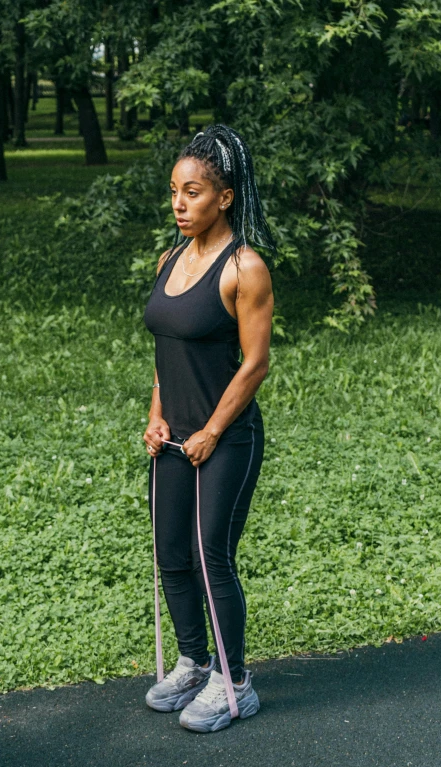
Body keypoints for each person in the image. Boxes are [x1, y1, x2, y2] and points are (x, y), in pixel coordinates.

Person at [142, 124, 276, 733]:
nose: (179, 203)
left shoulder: (244, 267)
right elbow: (166, 348)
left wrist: (214, 431)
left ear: (224, 197)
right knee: (171, 553)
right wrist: (156, 414)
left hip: (228, 440)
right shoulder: (172, 256)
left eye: (193, 192)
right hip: (173, 436)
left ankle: (235, 681)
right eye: (174, 191)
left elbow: (255, 364)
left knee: (209, 555)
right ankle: (194, 661)